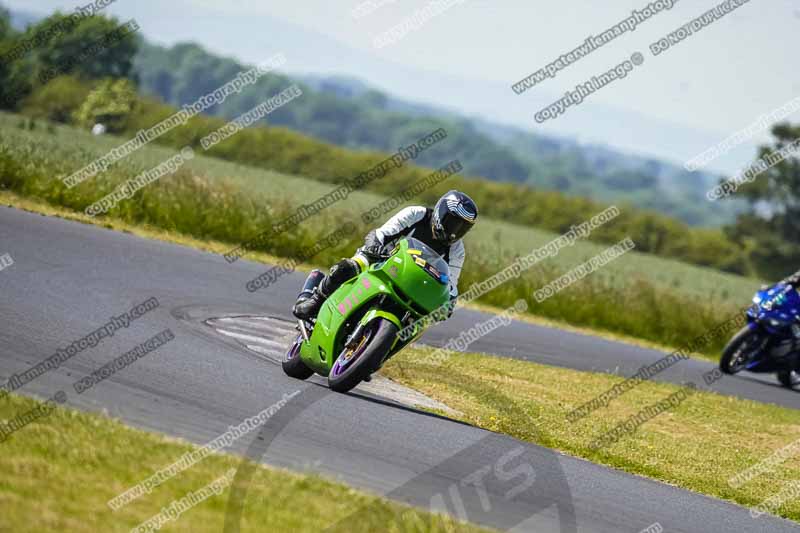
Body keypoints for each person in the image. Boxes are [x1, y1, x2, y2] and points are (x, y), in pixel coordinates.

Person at [293, 190, 478, 320]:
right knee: (350, 266)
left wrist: (449, 302)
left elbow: (451, 284)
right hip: (382, 260)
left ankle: (377, 355)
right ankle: (315, 302)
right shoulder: (416, 214)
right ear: (441, 212)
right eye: (453, 223)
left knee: (418, 320)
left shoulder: (457, 249)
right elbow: (381, 234)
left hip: (414, 283)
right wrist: (374, 246)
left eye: (462, 228)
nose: (455, 231)